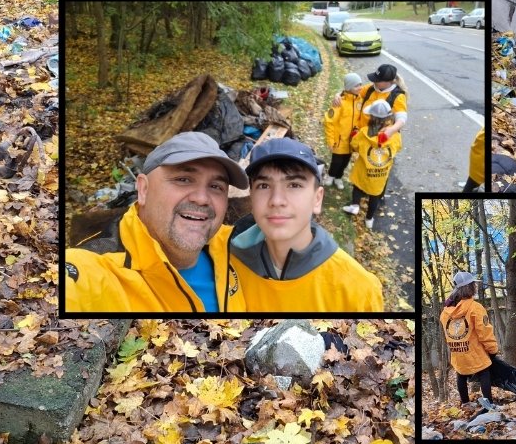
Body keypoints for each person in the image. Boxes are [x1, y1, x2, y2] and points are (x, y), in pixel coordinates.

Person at [64, 131, 249, 312]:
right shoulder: (92, 271)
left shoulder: (238, 249)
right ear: (143, 189)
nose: (202, 198)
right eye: (183, 179)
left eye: (216, 186)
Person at [228, 137, 382, 312]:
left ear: (317, 199)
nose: (277, 200)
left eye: (294, 185)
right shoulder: (224, 260)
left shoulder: (358, 291)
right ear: (251, 197)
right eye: (264, 185)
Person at [440, 271, 498, 407]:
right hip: (474, 351)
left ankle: (465, 403)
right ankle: (489, 404)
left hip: (457, 352)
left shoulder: (445, 311)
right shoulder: (475, 308)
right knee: (484, 372)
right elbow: (484, 332)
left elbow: (448, 333)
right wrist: (492, 349)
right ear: (471, 287)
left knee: (461, 374)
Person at [343, 100, 402, 230]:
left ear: (371, 116)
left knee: (358, 186)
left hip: (364, 169)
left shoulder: (363, 133)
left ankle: (354, 206)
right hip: (381, 173)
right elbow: (398, 148)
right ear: (388, 117)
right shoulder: (395, 135)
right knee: (375, 195)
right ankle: (369, 218)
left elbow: (355, 145)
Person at [322, 72, 365, 190]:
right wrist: (330, 140)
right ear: (349, 87)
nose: (360, 87)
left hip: (352, 140)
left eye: (360, 84)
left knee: (346, 161)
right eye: (356, 85)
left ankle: (338, 177)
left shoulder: (360, 100)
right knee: (336, 161)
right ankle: (331, 175)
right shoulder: (340, 102)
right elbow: (329, 121)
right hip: (339, 140)